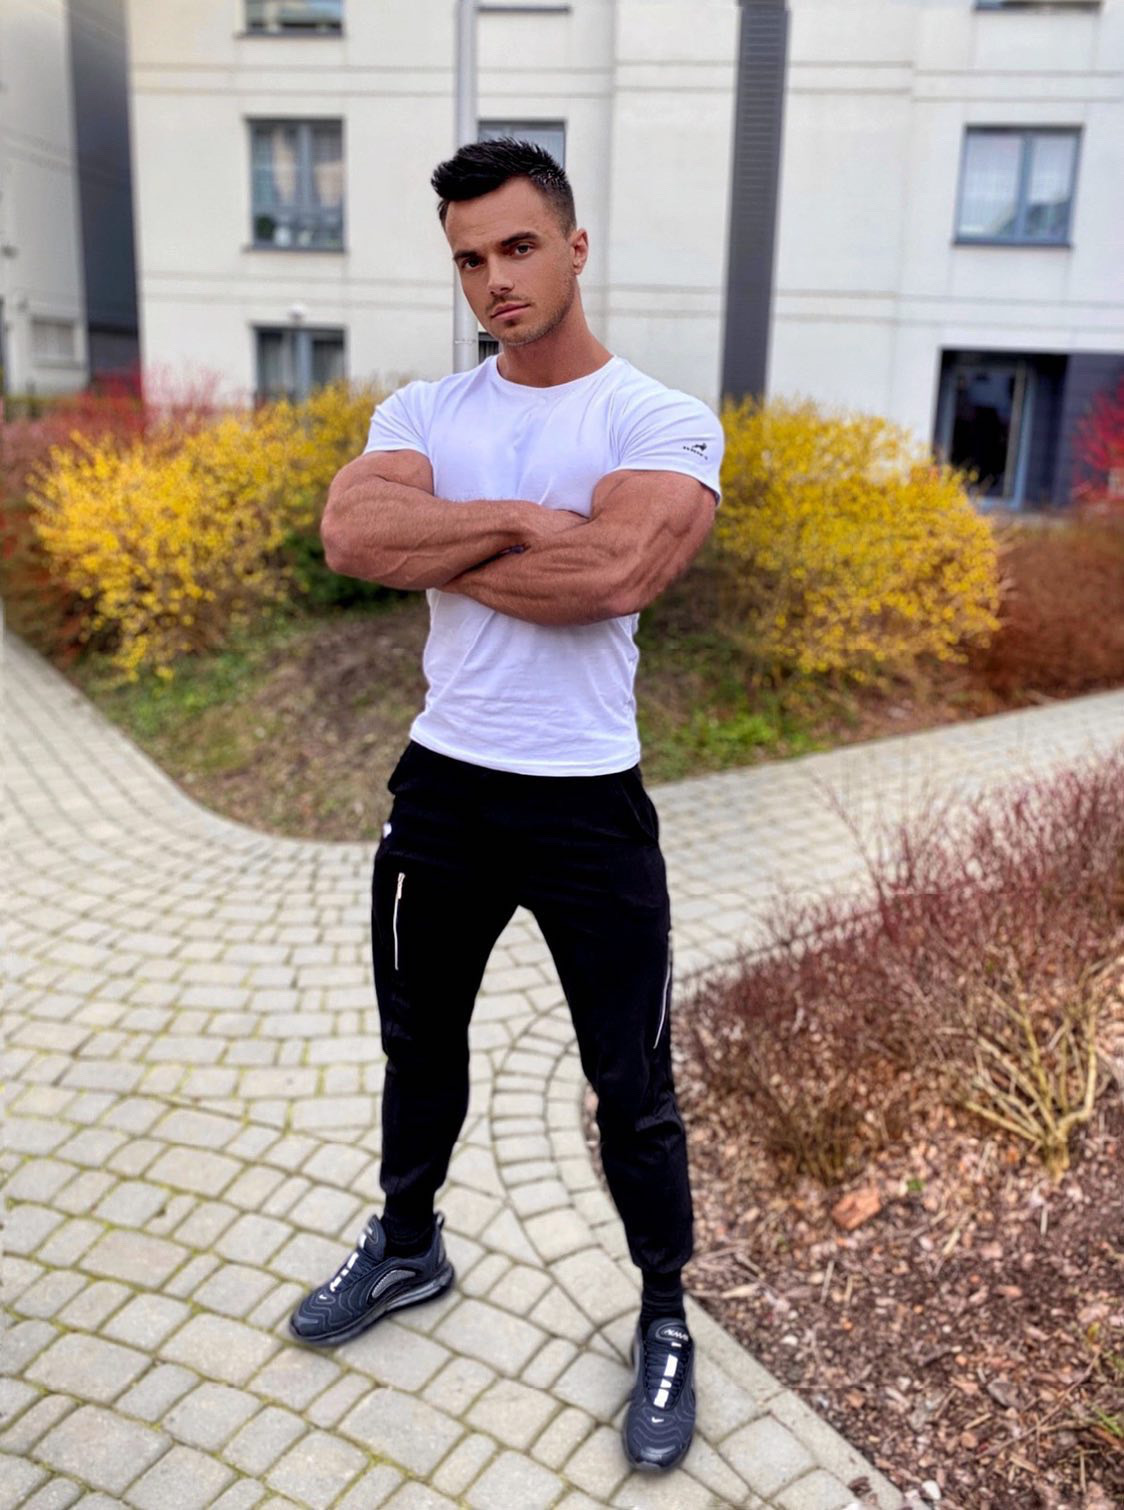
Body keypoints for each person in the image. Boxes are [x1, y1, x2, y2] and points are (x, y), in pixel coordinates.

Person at [289, 137, 724, 1474]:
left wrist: (452, 543)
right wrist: (536, 524)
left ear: (575, 247)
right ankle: (408, 1245)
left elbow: (615, 574)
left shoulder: (656, 418)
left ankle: (665, 1313)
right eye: (470, 258)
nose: (495, 279)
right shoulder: (425, 410)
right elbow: (352, 537)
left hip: (588, 804)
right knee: (420, 1047)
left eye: (519, 247)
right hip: (444, 790)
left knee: (630, 1085)